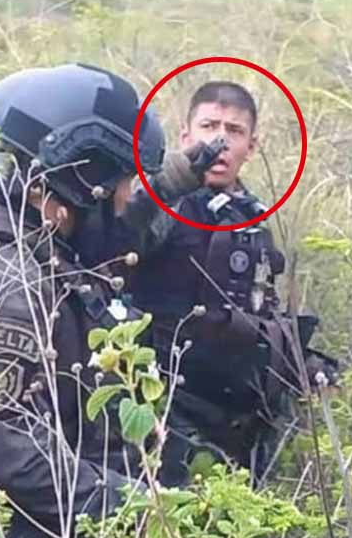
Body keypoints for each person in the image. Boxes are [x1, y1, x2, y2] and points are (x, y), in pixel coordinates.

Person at [0, 64, 220, 538]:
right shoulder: (7, 283)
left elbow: (120, 228)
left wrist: (176, 177)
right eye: (121, 181)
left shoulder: (33, 248)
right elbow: (1, 441)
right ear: (79, 179)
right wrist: (134, 512)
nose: (126, 196)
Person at [114, 81, 339, 487]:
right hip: (165, 407)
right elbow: (122, 236)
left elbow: (256, 310)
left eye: (234, 131)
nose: (219, 141)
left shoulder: (250, 216)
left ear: (251, 146)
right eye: (209, 126)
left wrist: (304, 365)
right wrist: (169, 180)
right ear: (186, 135)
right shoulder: (163, 203)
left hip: (236, 417)